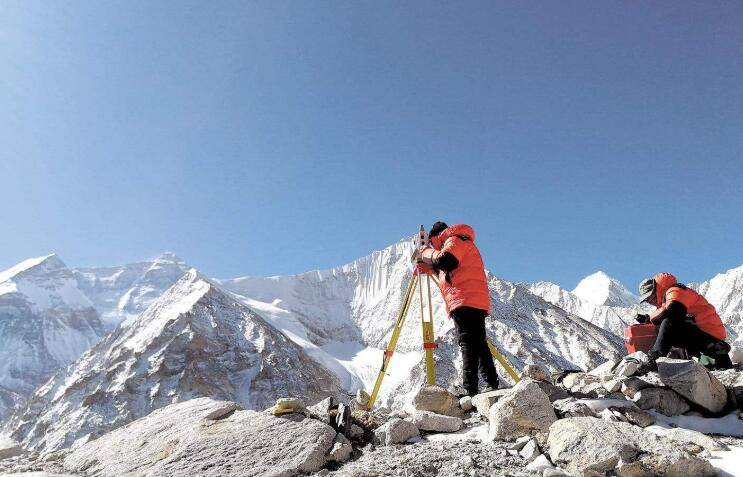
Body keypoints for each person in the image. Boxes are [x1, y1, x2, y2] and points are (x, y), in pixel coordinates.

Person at [416, 221, 499, 396]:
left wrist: (425, 252)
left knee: (467, 343)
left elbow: (446, 262)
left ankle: (470, 390)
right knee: (479, 343)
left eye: (432, 243)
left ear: (436, 238)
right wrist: (431, 270)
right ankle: (492, 383)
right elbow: (451, 276)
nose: (432, 246)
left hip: (464, 299)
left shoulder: (454, 240)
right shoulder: (461, 241)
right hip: (473, 299)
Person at [637, 272, 733, 369]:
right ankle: (682, 358)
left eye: (651, 297)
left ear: (657, 289)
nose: (651, 302)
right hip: (703, 336)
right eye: (647, 300)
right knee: (662, 326)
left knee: (668, 323)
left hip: (711, 337)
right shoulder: (665, 299)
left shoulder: (676, 291)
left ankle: (654, 359)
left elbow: (673, 311)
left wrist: (650, 318)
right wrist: (649, 319)